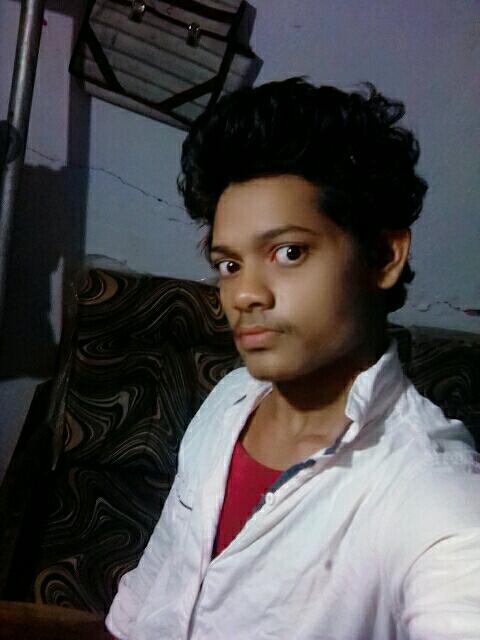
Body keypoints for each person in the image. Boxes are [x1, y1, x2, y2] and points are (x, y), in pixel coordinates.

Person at [105, 78, 480, 640]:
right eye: (229, 264)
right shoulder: (230, 398)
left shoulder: (432, 495)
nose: (243, 294)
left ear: (383, 256)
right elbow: (149, 590)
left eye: (288, 252)